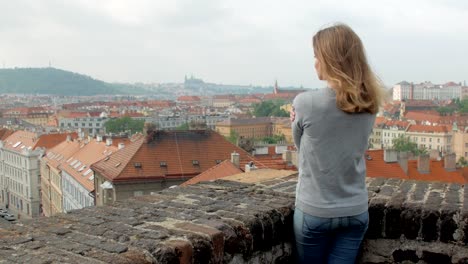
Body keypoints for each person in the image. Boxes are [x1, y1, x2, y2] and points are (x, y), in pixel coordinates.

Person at [291, 23, 386, 263]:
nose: (314, 62)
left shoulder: (305, 103)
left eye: (317, 56)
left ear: (330, 60)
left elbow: (301, 146)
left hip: (315, 209)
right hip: (355, 209)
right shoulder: (370, 104)